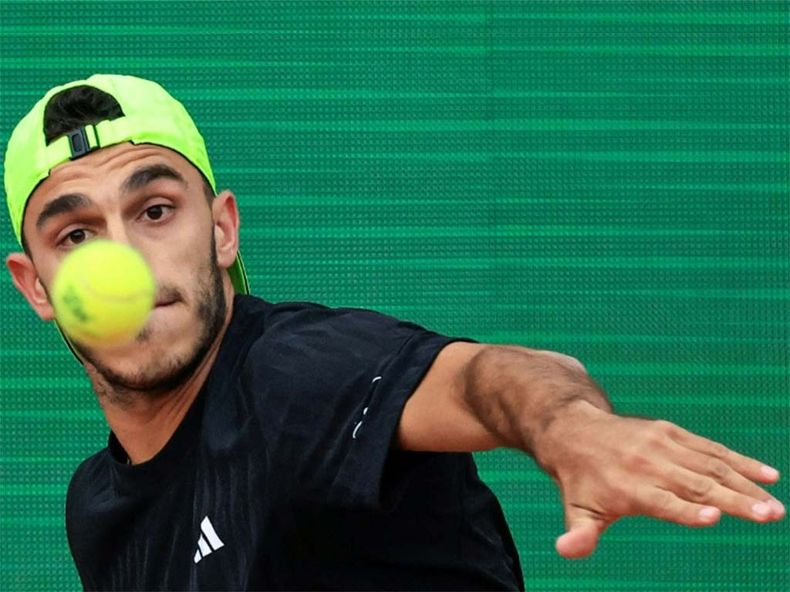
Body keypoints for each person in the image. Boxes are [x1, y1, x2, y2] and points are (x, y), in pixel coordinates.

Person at [3, 74, 784, 591]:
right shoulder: (98, 511)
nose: (126, 261)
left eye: (156, 211)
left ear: (222, 230)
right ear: (35, 284)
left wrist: (570, 428)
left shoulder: (289, 377)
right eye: (75, 235)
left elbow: (482, 378)